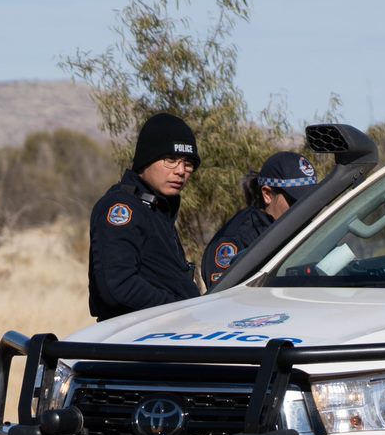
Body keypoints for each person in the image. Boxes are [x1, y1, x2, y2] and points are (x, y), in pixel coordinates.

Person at [88, 113, 202, 320]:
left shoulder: (157, 208)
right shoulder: (123, 208)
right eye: (171, 160)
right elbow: (118, 286)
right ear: (147, 159)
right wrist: (177, 308)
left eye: (188, 163)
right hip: (137, 334)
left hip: (169, 330)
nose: (181, 171)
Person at [201, 151, 318, 289]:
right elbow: (225, 295)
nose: (305, 209)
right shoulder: (235, 240)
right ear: (267, 194)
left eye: (309, 201)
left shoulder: (309, 229)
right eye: (295, 202)